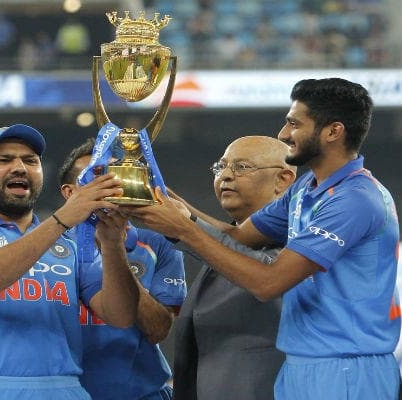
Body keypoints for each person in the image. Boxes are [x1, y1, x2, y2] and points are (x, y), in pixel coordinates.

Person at [126, 78, 400, 399]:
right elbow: (237, 235)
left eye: (295, 123)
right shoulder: (306, 188)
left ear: (332, 131)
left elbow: (269, 283)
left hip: (347, 369)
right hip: (300, 365)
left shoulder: (354, 199)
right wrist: (164, 199)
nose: (284, 133)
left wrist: (183, 229)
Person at [0, 124, 140, 399]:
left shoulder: (70, 242)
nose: (20, 168)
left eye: (30, 160)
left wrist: (112, 244)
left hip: (63, 389)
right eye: (3, 160)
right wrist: (62, 219)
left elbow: (120, 316)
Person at [58, 138, 186, 400]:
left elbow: (158, 330)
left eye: (116, 179)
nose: (108, 189)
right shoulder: (44, 248)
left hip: (142, 393)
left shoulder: (158, 245)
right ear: (70, 193)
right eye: (95, 180)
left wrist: (112, 248)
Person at [173, 136, 296, 400]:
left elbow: (268, 275)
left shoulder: (298, 234)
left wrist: (184, 227)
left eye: (241, 167)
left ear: (283, 179)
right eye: (221, 167)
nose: (226, 176)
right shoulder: (222, 241)